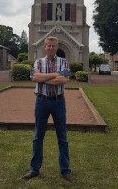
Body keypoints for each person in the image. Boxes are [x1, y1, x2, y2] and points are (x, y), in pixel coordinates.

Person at [22, 36, 74, 183]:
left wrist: (43, 77)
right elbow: (34, 78)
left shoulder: (64, 62)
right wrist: (53, 75)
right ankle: (34, 169)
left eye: (53, 46)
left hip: (58, 102)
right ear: (44, 47)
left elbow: (64, 80)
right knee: (38, 136)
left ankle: (65, 171)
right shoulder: (38, 62)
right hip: (41, 102)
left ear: (56, 47)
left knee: (62, 138)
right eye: (48, 46)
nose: (51, 48)